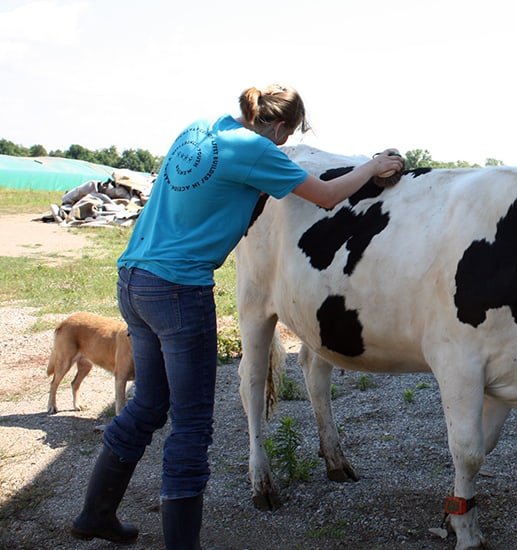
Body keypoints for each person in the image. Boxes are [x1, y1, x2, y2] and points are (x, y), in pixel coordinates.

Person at [69, 83, 404, 549]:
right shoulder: (256, 150)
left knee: (148, 404)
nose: (287, 145)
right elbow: (326, 196)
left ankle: (95, 513)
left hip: (134, 278)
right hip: (179, 291)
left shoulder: (199, 130)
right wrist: (373, 166)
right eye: (290, 134)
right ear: (281, 125)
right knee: (190, 427)